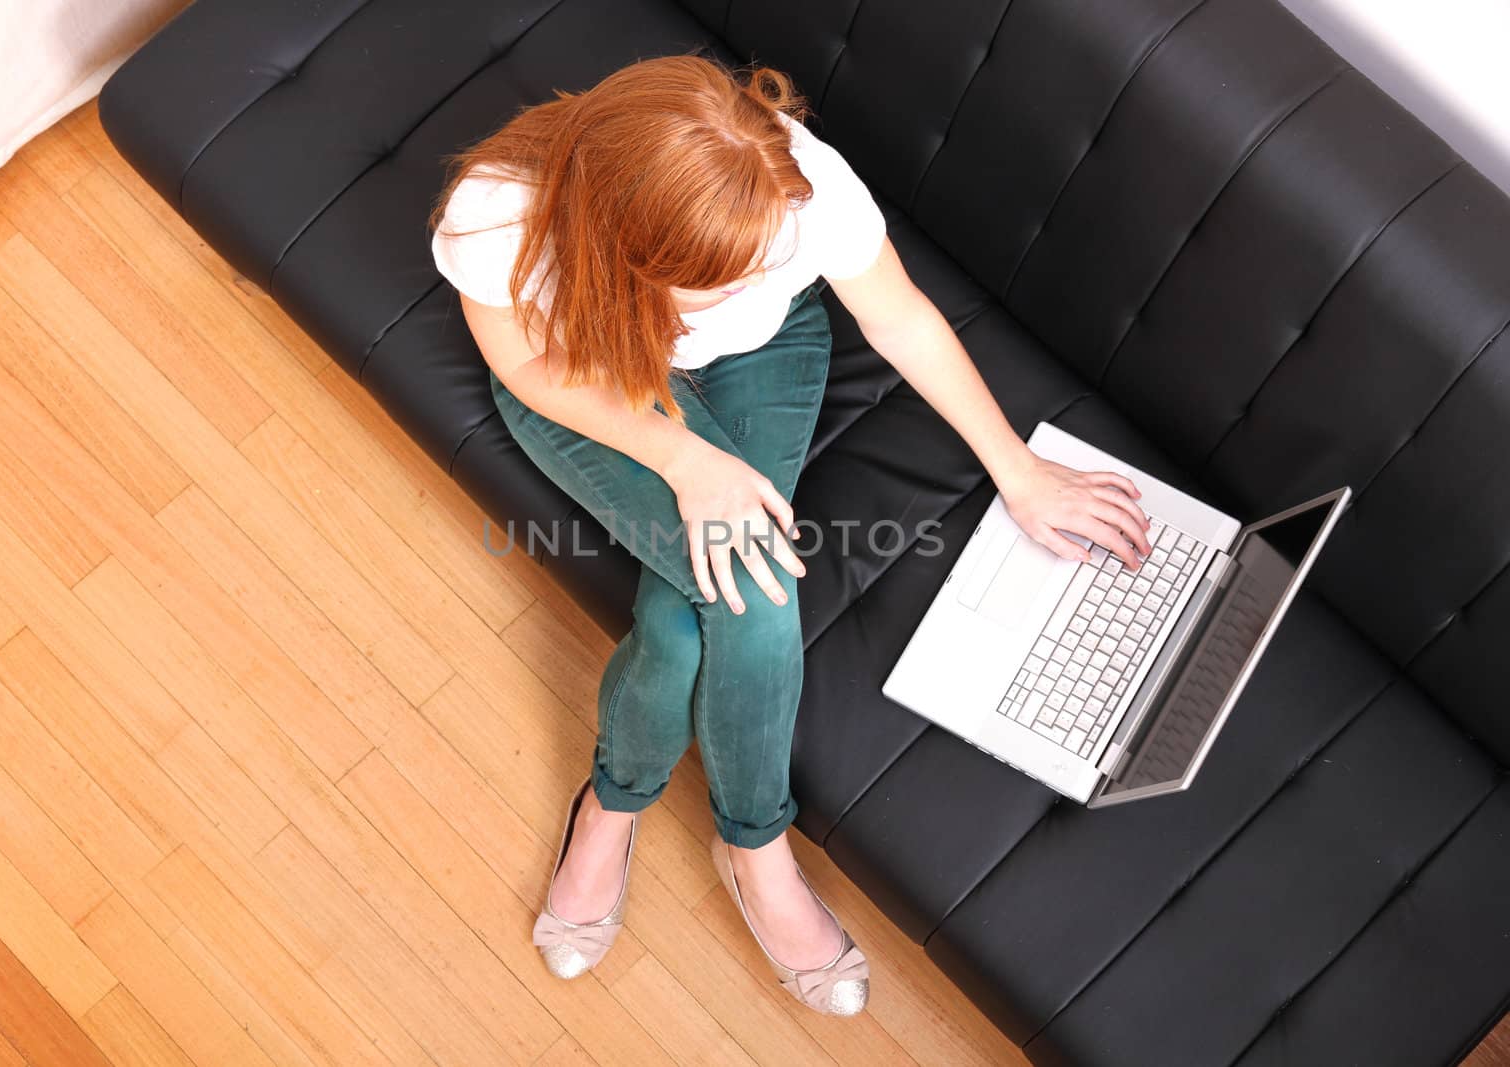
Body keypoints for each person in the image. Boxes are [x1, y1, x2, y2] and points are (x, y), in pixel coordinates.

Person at [427, 52, 1153, 1017]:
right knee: (751, 594)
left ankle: (674, 822)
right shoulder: (500, 211)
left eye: (761, 258)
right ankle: (696, 827)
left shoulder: (805, 188)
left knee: (705, 610)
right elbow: (525, 362)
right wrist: (682, 457)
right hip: (589, 385)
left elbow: (900, 319)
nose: (750, 282)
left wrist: (1017, 470)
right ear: (622, 246)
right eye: (715, 283)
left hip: (758, 367)